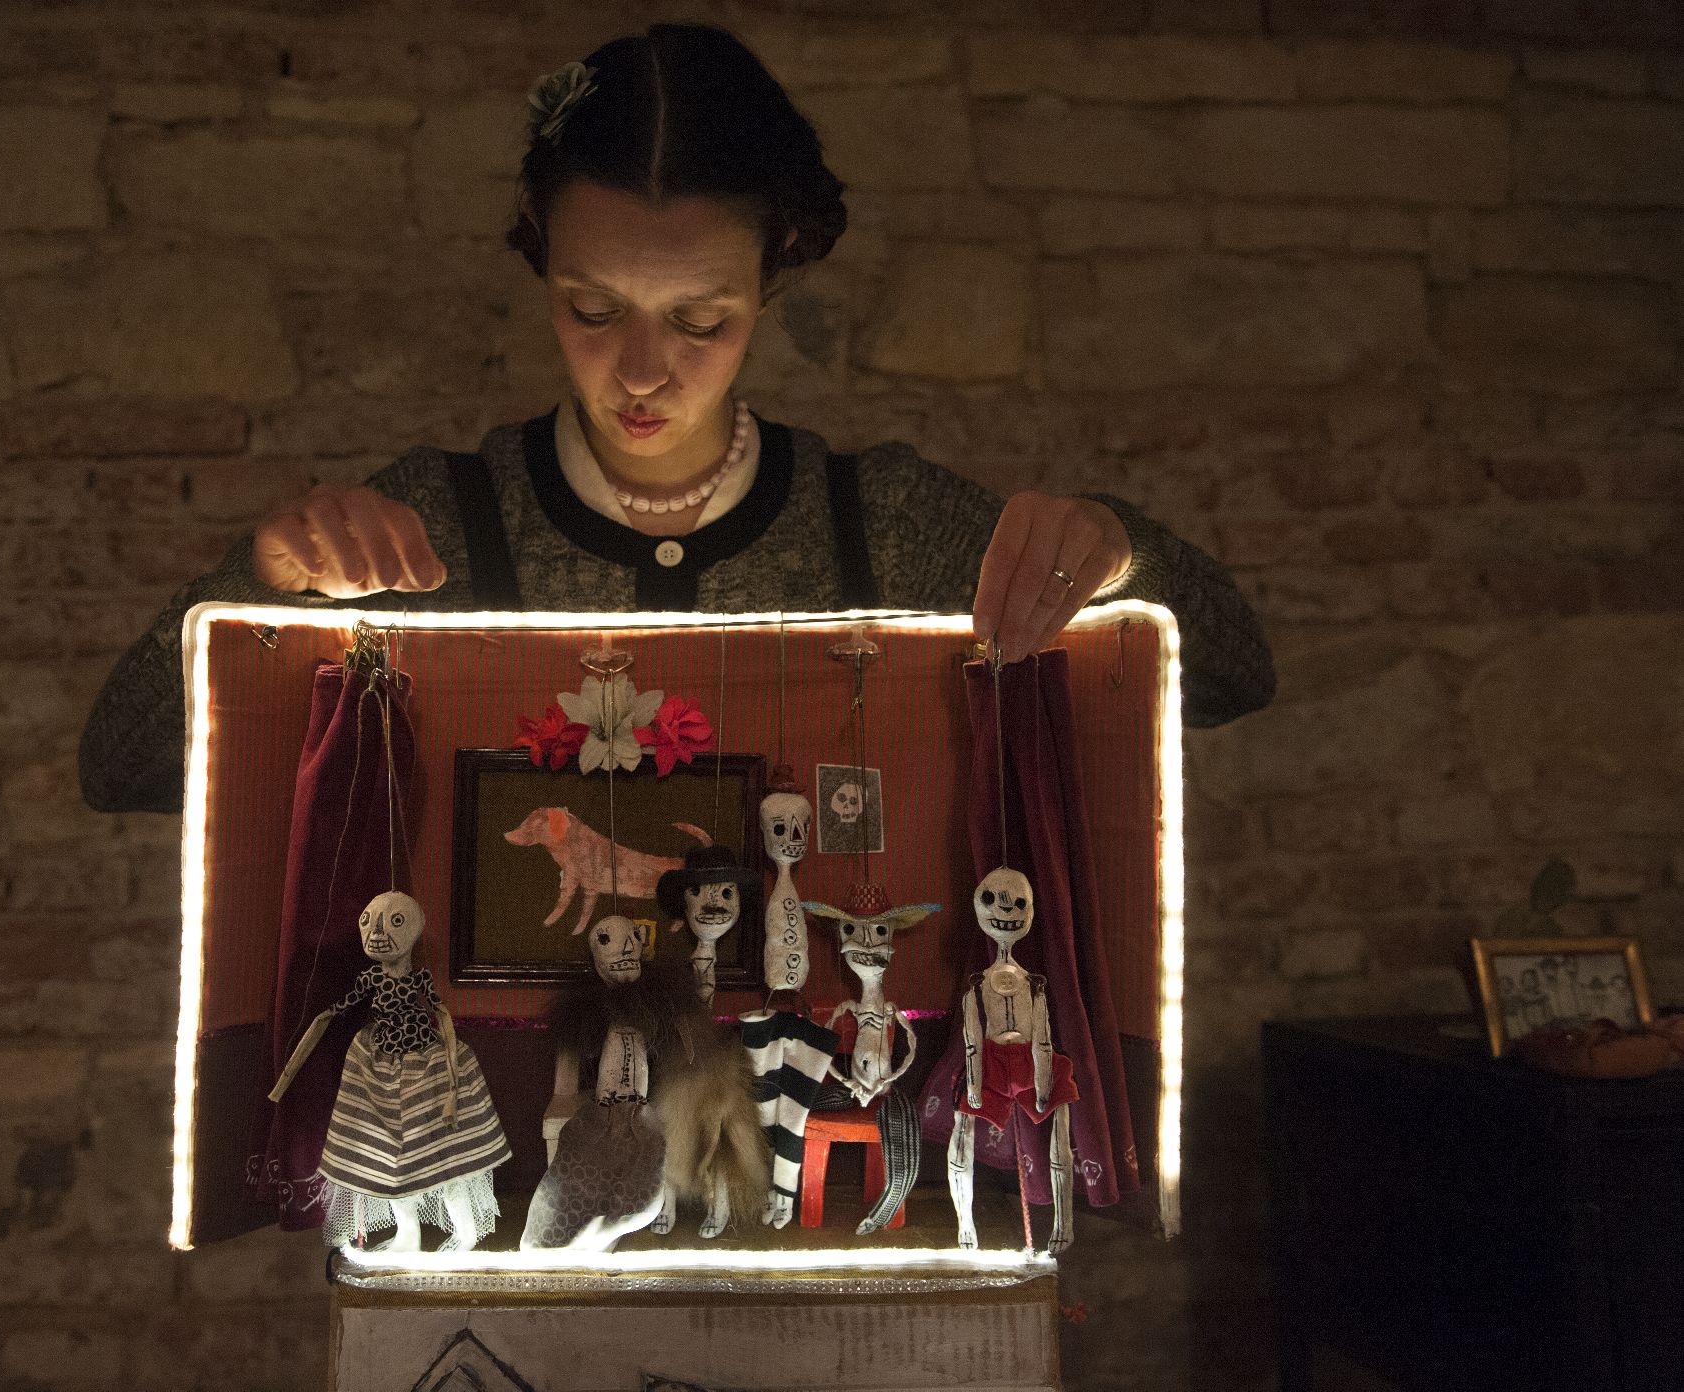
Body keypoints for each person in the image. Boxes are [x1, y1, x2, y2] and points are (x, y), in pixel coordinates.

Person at [79, 22, 1275, 816]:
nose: (643, 371)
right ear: (538, 253)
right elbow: (125, 764)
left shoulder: (884, 524)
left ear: (774, 273)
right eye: (593, 309)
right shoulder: (429, 529)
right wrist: (257, 590)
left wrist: (1117, 553)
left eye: (700, 320)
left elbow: (1230, 673)